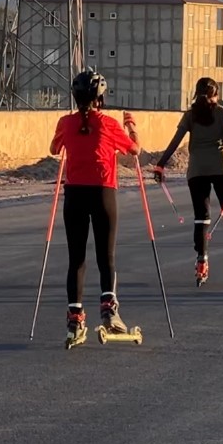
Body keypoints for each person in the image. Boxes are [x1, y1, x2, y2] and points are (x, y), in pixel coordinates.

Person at [50, 69, 140, 346]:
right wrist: (131, 126)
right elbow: (135, 149)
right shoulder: (109, 124)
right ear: (100, 98)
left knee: (76, 259)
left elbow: (54, 149)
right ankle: (109, 311)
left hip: (74, 195)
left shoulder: (66, 122)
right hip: (103, 193)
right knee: (106, 257)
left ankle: (75, 321)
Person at [152, 77, 223, 286]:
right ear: (215, 94)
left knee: (201, 217)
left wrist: (160, 165)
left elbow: (175, 141)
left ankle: (201, 261)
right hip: (222, 169)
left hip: (197, 172)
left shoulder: (190, 115)